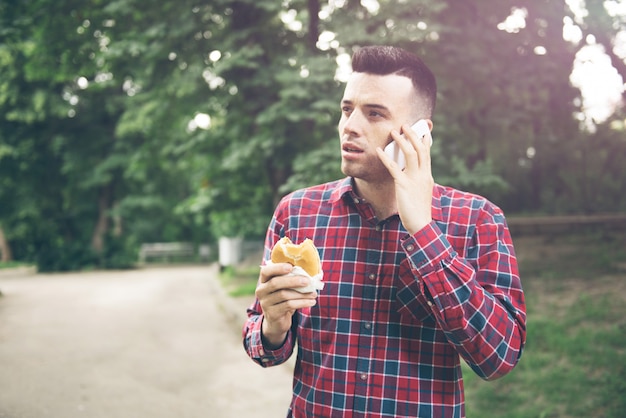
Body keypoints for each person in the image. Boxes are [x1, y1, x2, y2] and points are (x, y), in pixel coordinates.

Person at [243, 45, 526, 418]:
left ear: (420, 133)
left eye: (374, 114)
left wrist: (424, 232)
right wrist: (272, 326)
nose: (350, 126)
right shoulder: (297, 213)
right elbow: (262, 346)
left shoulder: (478, 220)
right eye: (347, 110)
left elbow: (498, 358)